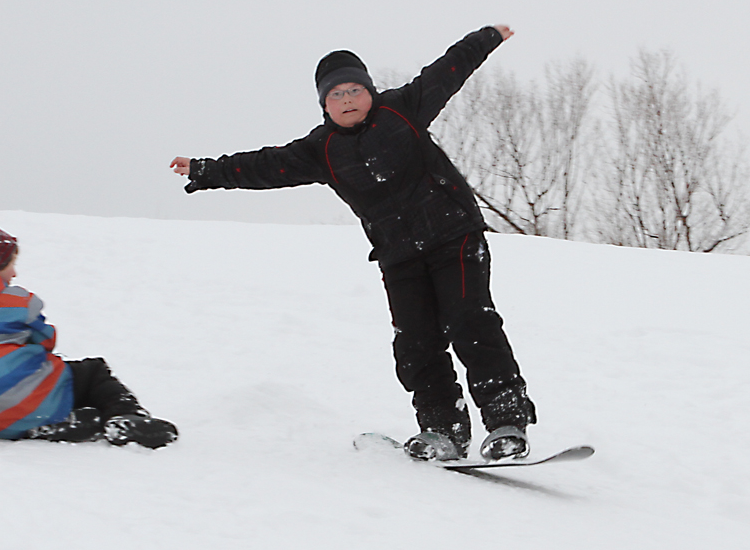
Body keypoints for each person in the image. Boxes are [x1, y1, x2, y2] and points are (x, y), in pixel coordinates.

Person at [170, 25, 535, 462]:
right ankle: (443, 428)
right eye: (336, 96)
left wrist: (487, 37)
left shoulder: (404, 108)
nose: (347, 101)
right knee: (415, 342)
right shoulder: (320, 149)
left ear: (370, 92)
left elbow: (448, 70)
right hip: (398, 255)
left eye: (354, 91)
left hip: (452, 235)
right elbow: (265, 166)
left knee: (469, 320)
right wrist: (207, 171)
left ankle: (506, 420)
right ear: (324, 105)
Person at [0, 224, 177, 448]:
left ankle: (59, 424)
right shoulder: (17, 301)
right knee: (90, 372)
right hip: (37, 398)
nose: (14, 273)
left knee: (43, 384)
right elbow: (45, 340)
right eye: (11, 264)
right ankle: (126, 417)